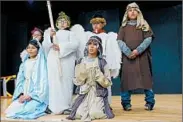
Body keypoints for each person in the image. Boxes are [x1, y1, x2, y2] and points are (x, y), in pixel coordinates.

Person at [70, 11, 121, 105]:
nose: (96, 26)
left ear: (103, 24)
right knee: (90, 83)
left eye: (98, 23)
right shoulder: (87, 35)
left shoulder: (107, 36)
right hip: (90, 62)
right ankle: (91, 103)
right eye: (94, 23)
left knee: (104, 82)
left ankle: (106, 104)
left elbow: (110, 51)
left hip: (103, 62)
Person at [117, 2, 155, 111]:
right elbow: (119, 41)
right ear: (127, 13)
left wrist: (138, 51)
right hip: (128, 58)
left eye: (134, 10)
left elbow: (148, 39)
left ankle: (150, 102)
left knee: (146, 79)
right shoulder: (123, 27)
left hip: (142, 57)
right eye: (130, 10)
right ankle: (126, 103)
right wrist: (128, 52)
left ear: (138, 12)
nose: (132, 12)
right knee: (127, 80)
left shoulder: (144, 24)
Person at [67, 36, 114, 121]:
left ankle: (101, 107)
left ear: (98, 48)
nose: (91, 46)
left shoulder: (102, 62)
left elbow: (108, 82)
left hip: (97, 92)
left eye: (94, 44)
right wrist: (82, 76)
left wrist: (99, 76)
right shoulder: (81, 61)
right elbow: (77, 81)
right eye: (89, 44)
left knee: (95, 113)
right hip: (84, 92)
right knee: (78, 114)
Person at [42, 11, 79, 114]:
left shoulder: (71, 34)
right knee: (54, 82)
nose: (62, 23)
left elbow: (75, 45)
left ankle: (66, 105)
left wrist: (61, 47)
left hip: (66, 60)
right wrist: (50, 37)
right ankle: (53, 106)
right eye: (60, 21)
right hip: (53, 60)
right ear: (57, 24)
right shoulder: (53, 33)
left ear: (68, 23)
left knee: (65, 82)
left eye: (65, 21)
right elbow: (45, 46)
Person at [5, 39, 49, 119]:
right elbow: (20, 80)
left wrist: (31, 95)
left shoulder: (41, 64)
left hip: (36, 95)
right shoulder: (24, 63)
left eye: (33, 48)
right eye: (28, 48)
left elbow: (43, 82)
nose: (30, 50)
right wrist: (21, 94)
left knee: (27, 110)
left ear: (38, 50)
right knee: (11, 110)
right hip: (25, 89)